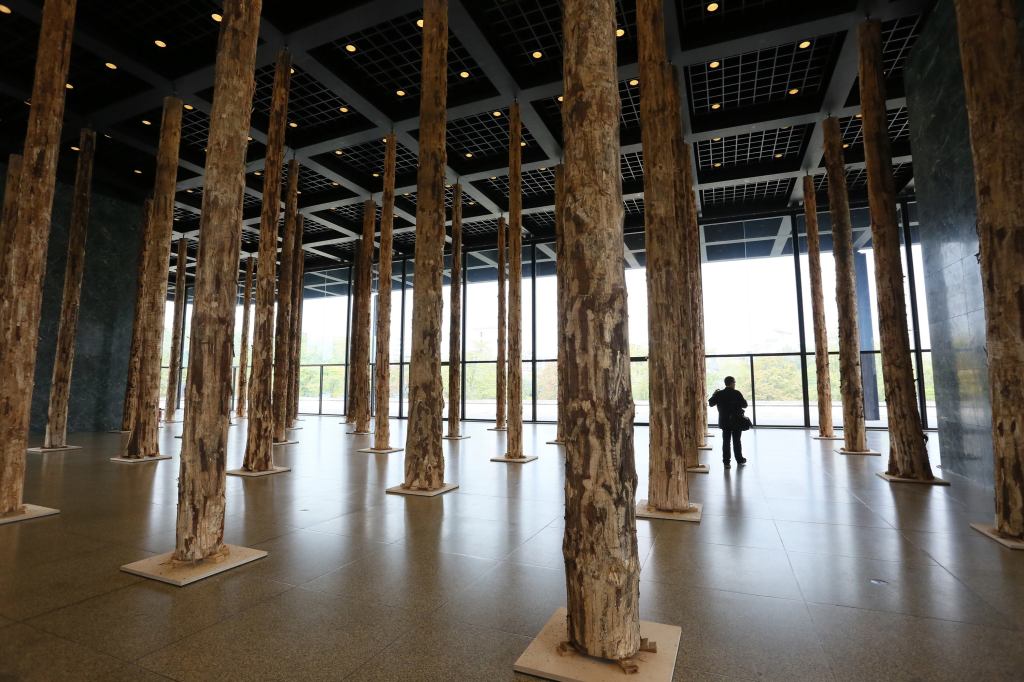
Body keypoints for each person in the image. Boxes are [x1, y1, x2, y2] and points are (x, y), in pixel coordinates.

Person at [709, 376, 748, 469]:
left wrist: (714, 394)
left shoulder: (719, 394)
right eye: (734, 382)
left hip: (724, 421)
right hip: (736, 421)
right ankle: (739, 459)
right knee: (737, 441)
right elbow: (745, 405)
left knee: (726, 442)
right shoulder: (737, 393)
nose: (735, 384)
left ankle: (726, 462)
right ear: (731, 383)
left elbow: (711, 403)